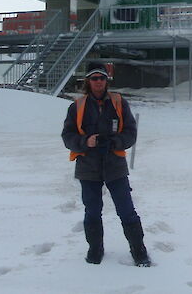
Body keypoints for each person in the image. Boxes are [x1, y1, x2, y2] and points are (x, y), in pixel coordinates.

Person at [61, 62, 151, 267]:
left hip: (115, 166)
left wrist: (114, 142)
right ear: (88, 81)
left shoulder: (119, 102)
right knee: (92, 210)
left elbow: (130, 133)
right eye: (94, 78)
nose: (98, 82)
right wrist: (86, 142)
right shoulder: (77, 107)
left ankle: (138, 250)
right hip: (87, 167)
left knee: (126, 209)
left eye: (102, 78)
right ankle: (95, 249)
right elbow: (67, 137)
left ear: (106, 81)